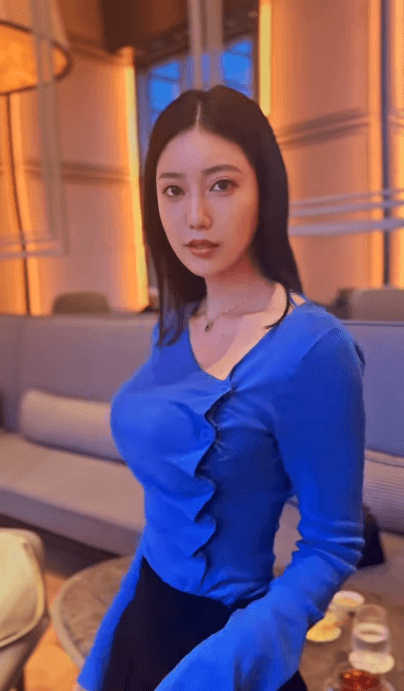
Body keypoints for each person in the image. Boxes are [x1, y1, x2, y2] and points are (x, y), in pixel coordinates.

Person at [74, 85, 366, 691]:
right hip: (145, 619)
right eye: (173, 190)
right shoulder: (175, 324)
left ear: (265, 189)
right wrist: (100, 656)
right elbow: (164, 520)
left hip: (229, 645)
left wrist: (216, 668)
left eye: (222, 185)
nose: (196, 218)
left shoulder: (314, 347)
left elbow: (332, 545)